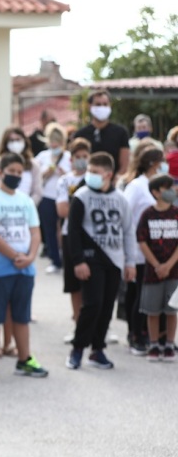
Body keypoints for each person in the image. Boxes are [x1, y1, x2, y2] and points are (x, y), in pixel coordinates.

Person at [0, 153, 48, 379]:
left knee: (21, 315)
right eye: (12, 172)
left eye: (20, 172)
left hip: (24, 268)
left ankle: (24, 359)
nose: (16, 176)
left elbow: (35, 232)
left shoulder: (25, 200)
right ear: (0, 173)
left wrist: (30, 256)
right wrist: (14, 255)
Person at [65, 152, 135, 370]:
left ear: (109, 174)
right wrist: (78, 261)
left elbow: (128, 231)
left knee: (106, 307)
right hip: (91, 257)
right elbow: (73, 231)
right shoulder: (81, 196)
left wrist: (130, 261)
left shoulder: (121, 199)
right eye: (89, 171)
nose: (90, 176)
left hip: (114, 259)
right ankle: (78, 348)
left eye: (95, 172)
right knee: (92, 304)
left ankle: (98, 349)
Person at [122, 147, 166, 354]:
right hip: (140, 250)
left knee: (153, 296)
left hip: (159, 251)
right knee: (139, 294)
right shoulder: (137, 186)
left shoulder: (161, 185)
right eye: (161, 161)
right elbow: (126, 213)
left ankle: (152, 334)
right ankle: (135, 334)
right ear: (152, 164)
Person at [136, 175, 178, 361]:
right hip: (153, 272)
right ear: (155, 192)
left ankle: (169, 344)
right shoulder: (148, 214)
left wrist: (168, 265)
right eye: (167, 187)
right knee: (152, 310)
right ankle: (153, 344)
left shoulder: (176, 213)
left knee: (171, 310)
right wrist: (157, 265)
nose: (172, 190)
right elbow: (142, 240)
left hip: (174, 271)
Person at [57, 138, 91, 342]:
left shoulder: (97, 178)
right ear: (71, 159)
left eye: (85, 157)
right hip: (71, 235)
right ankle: (79, 327)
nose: (81, 161)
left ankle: (96, 326)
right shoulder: (65, 181)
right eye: (77, 157)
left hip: (93, 237)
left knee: (95, 284)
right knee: (74, 285)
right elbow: (62, 210)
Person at [35, 122, 72, 274]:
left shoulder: (68, 157)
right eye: (52, 140)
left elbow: (74, 176)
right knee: (49, 229)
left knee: (65, 229)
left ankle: (66, 258)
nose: (54, 143)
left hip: (64, 198)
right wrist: (47, 172)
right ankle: (54, 260)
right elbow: (35, 176)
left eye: (57, 140)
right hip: (47, 197)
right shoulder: (43, 156)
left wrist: (63, 172)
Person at [74, 89, 130, 175]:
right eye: (98, 104)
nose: (102, 107)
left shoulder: (121, 132)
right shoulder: (80, 135)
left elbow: (124, 165)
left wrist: (113, 183)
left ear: (110, 106)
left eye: (105, 104)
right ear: (90, 106)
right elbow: (76, 163)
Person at [0, 127, 42, 202]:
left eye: (18, 140)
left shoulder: (33, 164)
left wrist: (26, 206)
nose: (15, 143)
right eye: (12, 140)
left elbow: (37, 192)